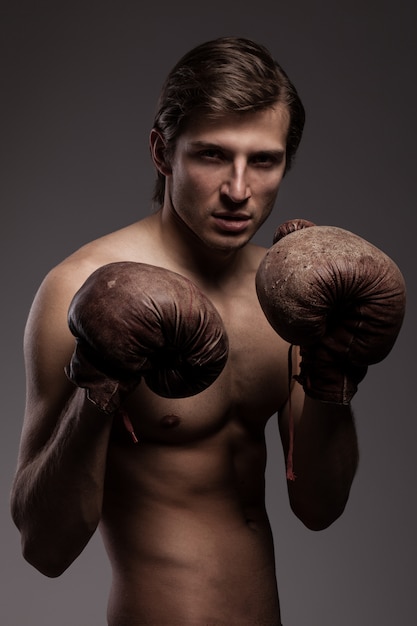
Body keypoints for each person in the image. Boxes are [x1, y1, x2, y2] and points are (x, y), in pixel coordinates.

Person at [10, 37, 362, 626]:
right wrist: (97, 383)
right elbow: (43, 549)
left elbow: (319, 507)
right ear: (161, 151)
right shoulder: (80, 289)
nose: (239, 190)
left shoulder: (287, 293)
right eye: (212, 155)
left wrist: (336, 368)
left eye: (265, 160)